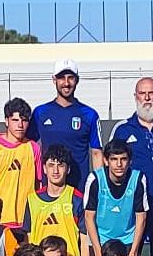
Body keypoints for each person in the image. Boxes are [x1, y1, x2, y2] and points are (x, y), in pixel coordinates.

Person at [109, 77, 153, 256]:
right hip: (134, 208)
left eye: (151, 93)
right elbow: (112, 167)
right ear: (135, 96)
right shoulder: (122, 129)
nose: (147, 98)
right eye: (142, 94)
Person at [29, 60, 103, 191]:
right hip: (49, 189)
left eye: (71, 78)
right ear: (54, 80)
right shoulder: (40, 112)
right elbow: (26, 145)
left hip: (79, 189)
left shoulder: (89, 114)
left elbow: (96, 153)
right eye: (61, 78)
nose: (66, 83)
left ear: (77, 80)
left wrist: (100, 187)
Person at [83, 139, 148, 256]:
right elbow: (89, 217)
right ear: (106, 161)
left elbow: (141, 218)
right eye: (114, 159)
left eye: (123, 159)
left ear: (130, 161)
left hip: (127, 240)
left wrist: (133, 253)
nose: (119, 164)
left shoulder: (138, 179)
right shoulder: (95, 179)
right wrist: (98, 253)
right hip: (101, 239)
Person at [22, 144, 86, 256]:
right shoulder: (32, 199)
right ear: (44, 168)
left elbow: (84, 241)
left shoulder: (76, 198)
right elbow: (28, 239)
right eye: (51, 165)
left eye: (60, 165)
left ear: (68, 169)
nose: (55, 171)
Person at [0, 98, 42, 229]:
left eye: (24, 120)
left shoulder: (33, 148)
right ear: (6, 121)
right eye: (15, 120)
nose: (20, 125)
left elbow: (39, 183)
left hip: (25, 221)